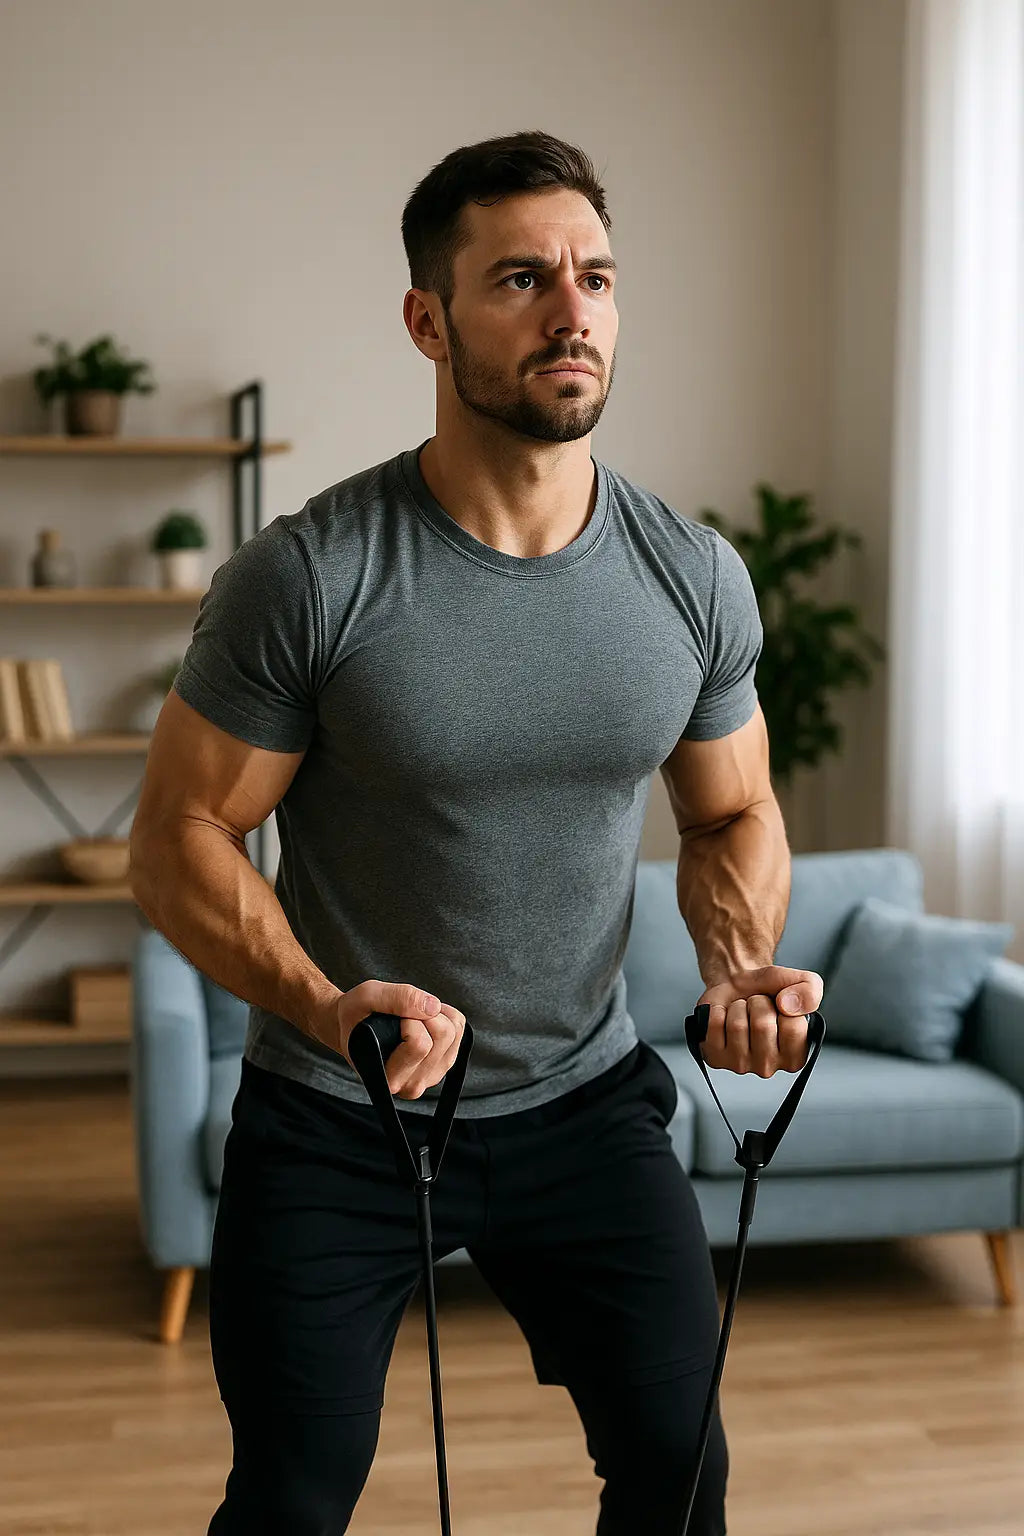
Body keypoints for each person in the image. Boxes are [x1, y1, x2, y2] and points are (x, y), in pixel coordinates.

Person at [129, 129, 824, 1536]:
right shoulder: (311, 576)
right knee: (293, 1496)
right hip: (342, 1117)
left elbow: (734, 807)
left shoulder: (688, 577)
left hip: (585, 1105)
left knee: (682, 1471)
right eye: (522, 278)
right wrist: (327, 1008)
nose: (574, 311)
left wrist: (742, 959)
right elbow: (181, 835)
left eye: (597, 275)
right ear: (428, 320)